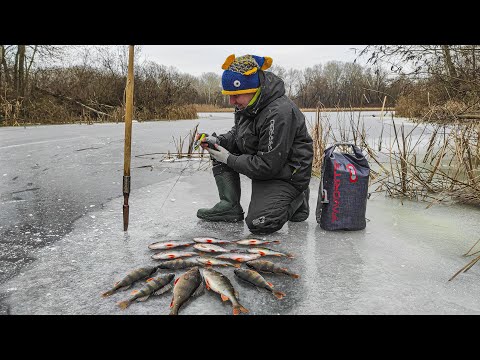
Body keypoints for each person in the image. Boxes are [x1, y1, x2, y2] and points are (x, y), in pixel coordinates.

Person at [196, 54, 313, 235]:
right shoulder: (249, 103)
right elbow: (239, 133)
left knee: (260, 223)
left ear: (254, 88)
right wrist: (219, 142)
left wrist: (229, 159)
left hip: (287, 175)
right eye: (229, 96)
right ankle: (230, 206)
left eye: (235, 96)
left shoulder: (278, 113)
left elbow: (267, 166)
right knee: (218, 148)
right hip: (268, 168)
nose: (231, 102)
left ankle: (298, 198)